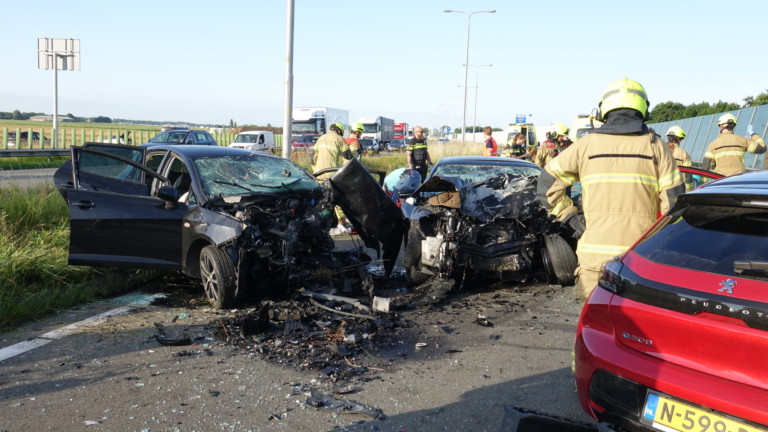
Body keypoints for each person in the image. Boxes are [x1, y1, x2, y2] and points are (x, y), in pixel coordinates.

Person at [537, 77, 684, 307]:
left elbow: (547, 186)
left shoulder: (586, 146)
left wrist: (573, 219)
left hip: (595, 262)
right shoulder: (656, 147)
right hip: (640, 260)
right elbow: (674, 206)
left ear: (604, 108)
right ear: (643, 107)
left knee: (595, 335)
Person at [701, 113, 766, 177]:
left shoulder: (713, 144)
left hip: (720, 181)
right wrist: (753, 134)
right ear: (733, 126)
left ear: (721, 127)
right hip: (738, 181)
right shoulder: (743, 141)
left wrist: (704, 184)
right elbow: (762, 148)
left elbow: (706, 166)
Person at [666, 126, 694, 191]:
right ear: (678, 139)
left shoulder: (660, 150)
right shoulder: (683, 153)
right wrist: (689, 191)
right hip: (678, 189)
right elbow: (688, 176)